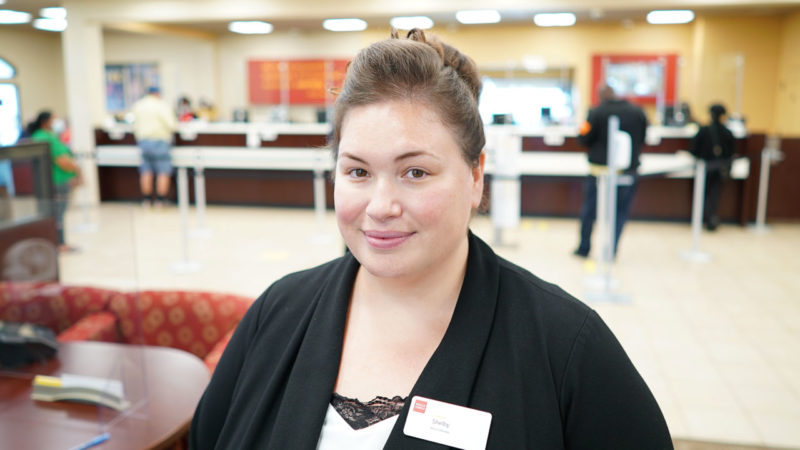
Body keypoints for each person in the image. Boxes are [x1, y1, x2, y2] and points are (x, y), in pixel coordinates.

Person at [190, 30, 671, 449]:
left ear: (476, 175)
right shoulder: (279, 312)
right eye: (357, 171)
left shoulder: (564, 348)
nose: (380, 205)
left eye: (415, 172)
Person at [574, 83, 648, 258]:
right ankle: (611, 250)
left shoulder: (595, 112)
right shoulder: (637, 112)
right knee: (620, 212)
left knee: (589, 210)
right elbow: (644, 137)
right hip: (628, 170)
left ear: (601, 96)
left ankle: (584, 248)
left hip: (599, 170)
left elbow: (583, 137)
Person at [26, 110, 82, 252]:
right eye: (54, 119)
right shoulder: (47, 138)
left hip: (46, 182)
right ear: (45, 122)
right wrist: (77, 170)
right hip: (58, 181)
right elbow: (62, 160)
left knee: (53, 214)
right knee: (57, 215)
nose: (57, 123)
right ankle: (60, 243)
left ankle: (55, 243)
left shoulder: (38, 136)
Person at [689, 103, 736, 231]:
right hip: (720, 169)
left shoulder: (703, 130)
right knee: (714, 194)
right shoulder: (728, 133)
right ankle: (711, 218)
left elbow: (693, 150)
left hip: (704, 168)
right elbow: (731, 153)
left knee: (701, 193)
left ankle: (701, 218)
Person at [131, 86, 176, 207]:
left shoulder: (138, 105)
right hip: (160, 141)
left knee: (146, 171)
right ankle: (160, 201)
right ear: (157, 94)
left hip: (143, 142)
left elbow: (134, 124)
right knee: (163, 171)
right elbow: (171, 125)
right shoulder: (162, 105)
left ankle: (146, 201)